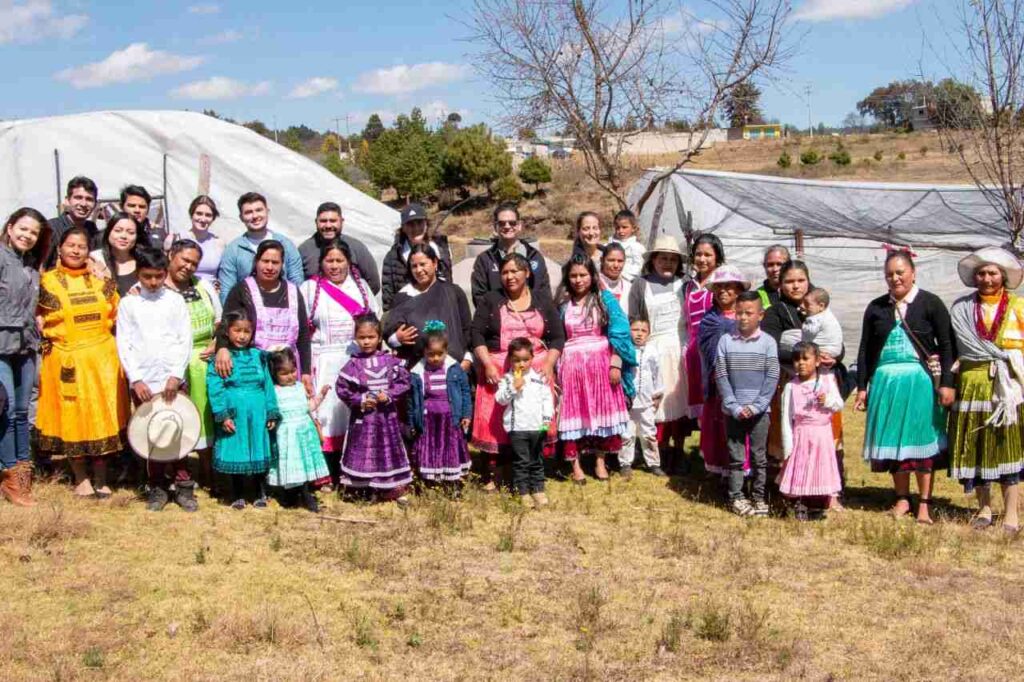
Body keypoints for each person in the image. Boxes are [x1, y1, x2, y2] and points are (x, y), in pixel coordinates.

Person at [854, 249, 955, 525]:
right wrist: (862, 386)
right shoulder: (876, 308)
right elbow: (865, 349)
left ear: (913, 273)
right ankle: (901, 498)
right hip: (885, 384)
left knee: (921, 443)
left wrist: (947, 383)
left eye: (900, 272)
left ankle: (924, 503)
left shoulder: (931, 303)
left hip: (920, 383)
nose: (895, 278)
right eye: (889, 274)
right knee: (895, 442)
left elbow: (947, 344)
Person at [37, 227, 129, 498]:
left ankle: (101, 476)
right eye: (71, 245)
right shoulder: (47, 282)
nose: (76, 250)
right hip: (66, 359)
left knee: (103, 417)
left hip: (102, 359)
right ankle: (80, 477)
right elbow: (37, 317)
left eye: (82, 246)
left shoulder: (101, 278)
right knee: (73, 417)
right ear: (60, 248)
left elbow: (118, 310)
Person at [471, 253, 564, 488]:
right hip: (498, 368)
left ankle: (530, 469)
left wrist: (549, 364)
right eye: (504, 272)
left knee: (532, 417)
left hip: (536, 369)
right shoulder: (491, 300)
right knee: (498, 423)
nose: (509, 276)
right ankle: (496, 471)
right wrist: (488, 364)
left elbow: (557, 337)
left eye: (515, 271)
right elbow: (477, 334)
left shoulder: (542, 300)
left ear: (527, 273)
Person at [947, 247, 1024, 533]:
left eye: (992, 273)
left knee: (1006, 445)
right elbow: (954, 348)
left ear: (1002, 276)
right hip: (971, 384)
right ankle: (984, 508)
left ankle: (1012, 512)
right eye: (981, 273)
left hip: (1007, 388)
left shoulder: (1018, 306)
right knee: (978, 447)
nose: (987, 278)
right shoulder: (962, 309)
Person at [115, 247, 194, 511]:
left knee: (178, 430)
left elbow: (184, 339)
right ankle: (157, 487)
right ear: (138, 273)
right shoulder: (129, 304)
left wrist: (175, 374)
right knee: (152, 435)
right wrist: (136, 379)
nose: (152, 282)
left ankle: (184, 487)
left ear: (165, 274)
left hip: (172, 380)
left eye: (158, 276)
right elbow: (124, 343)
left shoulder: (174, 301)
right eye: (147, 276)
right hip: (145, 382)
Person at [299, 239, 377, 484]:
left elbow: (374, 321)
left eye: (339, 260)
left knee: (352, 411)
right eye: (329, 261)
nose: (334, 266)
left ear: (348, 262)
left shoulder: (361, 287)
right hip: (323, 360)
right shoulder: (310, 289)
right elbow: (302, 329)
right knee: (326, 414)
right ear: (321, 263)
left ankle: (354, 467)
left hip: (355, 359)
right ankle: (325, 471)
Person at [556, 254, 636, 483]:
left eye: (583, 275)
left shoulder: (604, 299)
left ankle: (600, 462)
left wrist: (615, 364)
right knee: (573, 413)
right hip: (572, 365)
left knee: (602, 411)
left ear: (592, 276)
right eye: (573, 275)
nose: (578, 280)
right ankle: (576, 466)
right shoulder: (562, 303)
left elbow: (620, 333)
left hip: (601, 363)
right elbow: (557, 336)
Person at [0, 208, 51, 506]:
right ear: (9, 228)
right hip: (2, 343)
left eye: (33, 232)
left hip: (26, 345)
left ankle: (22, 469)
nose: (27, 235)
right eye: (23, 228)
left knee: (22, 411)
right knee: (4, 409)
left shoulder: (32, 267)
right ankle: (9, 473)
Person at [335, 314, 412, 504]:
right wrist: (360, 399)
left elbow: (404, 382)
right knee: (364, 449)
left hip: (386, 418)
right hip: (364, 420)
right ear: (355, 338)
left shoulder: (390, 361)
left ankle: (391, 487)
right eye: (362, 337)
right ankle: (365, 488)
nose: (367, 341)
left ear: (379, 337)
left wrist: (390, 395)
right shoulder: (353, 364)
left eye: (371, 337)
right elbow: (342, 389)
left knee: (388, 449)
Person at [715, 291, 779, 517]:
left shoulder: (768, 343)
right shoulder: (725, 341)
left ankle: (759, 496)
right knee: (735, 457)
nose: (743, 317)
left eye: (748, 313)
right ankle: (737, 496)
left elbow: (772, 377)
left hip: (760, 412)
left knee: (759, 457)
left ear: (760, 315)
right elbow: (721, 375)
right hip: (733, 411)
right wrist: (733, 405)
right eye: (739, 312)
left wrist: (757, 406)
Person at [206, 311, 279, 509]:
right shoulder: (220, 359)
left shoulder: (259, 357)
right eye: (237, 330)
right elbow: (215, 388)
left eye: (247, 331)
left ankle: (258, 491)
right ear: (227, 332)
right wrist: (222, 415)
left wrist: (271, 410)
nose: (242, 336)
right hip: (234, 410)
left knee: (258, 447)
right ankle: (236, 493)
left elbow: (268, 386)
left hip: (258, 410)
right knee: (236, 449)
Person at [218, 240, 312, 394]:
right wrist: (222, 348)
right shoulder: (242, 290)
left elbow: (303, 335)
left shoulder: (294, 292)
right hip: (253, 368)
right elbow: (226, 324)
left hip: (289, 370)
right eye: (265, 261)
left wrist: (306, 372)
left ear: (282, 264)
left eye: (275, 262)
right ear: (256, 262)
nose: (269, 267)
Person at [627, 236, 689, 468]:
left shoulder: (685, 284)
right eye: (663, 258)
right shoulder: (639, 285)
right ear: (653, 260)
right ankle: (657, 451)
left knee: (679, 398)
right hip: (653, 349)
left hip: (679, 346)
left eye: (673, 259)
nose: (667, 263)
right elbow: (634, 317)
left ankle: (680, 450)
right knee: (656, 401)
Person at [163, 239, 222, 484]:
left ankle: (209, 473)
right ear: (171, 256)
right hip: (170, 361)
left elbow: (219, 320)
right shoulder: (155, 286)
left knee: (205, 418)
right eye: (184, 260)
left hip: (203, 360)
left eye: (194, 263)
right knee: (176, 417)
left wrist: (217, 341)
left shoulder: (204, 286)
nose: (188, 266)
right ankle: (177, 473)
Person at [777, 342, 845, 521]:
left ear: (816, 361)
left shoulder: (827, 380)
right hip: (801, 434)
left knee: (819, 468)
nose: (801, 363)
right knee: (800, 468)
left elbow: (839, 404)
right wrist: (787, 445)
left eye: (806, 359)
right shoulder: (791, 387)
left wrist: (827, 400)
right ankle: (799, 503)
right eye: (797, 360)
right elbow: (786, 418)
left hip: (821, 435)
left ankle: (817, 504)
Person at [383, 244, 473, 368]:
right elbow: (389, 334)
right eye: (414, 266)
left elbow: (467, 329)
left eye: (423, 264)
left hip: (453, 368)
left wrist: (467, 359)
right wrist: (397, 338)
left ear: (435, 263)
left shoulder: (453, 292)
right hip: (417, 371)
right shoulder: (402, 297)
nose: (419, 270)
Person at [698, 265, 749, 481]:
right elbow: (705, 349)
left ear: (738, 290)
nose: (723, 292)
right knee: (717, 425)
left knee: (739, 426)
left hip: (742, 382)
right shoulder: (708, 319)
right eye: (719, 287)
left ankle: (741, 471)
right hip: (716, 382)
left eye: (729, 287)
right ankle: (720, 470)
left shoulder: (746, 317)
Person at [406, 322, 473, 487]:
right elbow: (411, 400)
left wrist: (466, 414)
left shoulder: (454, 369)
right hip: (429, 419)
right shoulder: (417, 373)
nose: (435, 358)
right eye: (431, 354)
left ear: (446, 351)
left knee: (449, 447)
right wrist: (412, 421)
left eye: (439, 354)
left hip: (450, 418)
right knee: (431, 447)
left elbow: (465, 391)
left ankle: (452, 482)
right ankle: (431, 481)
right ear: (424, 353)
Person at [265, 348, 330, 513]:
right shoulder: (274, 392)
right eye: (284, 373)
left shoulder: (300, 387)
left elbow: (309, 407)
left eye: (293, 371)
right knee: (291, 464)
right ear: (274, 374)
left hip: (304, 433)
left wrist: (321, 395)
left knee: (304, 464)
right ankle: (291, 494)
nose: (290, 376)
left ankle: (304, 493)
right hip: (287, 436)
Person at [496, 337, 554, 507]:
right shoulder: (507, 379)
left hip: (537, 427)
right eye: (516, 360)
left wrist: (546, 420)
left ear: (532, 358)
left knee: (536, 459)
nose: (521, 364)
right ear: (510, 360)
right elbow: (500, 399)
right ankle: (523, 492)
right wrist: (514, 387)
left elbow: (547, 400)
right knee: (521, 461)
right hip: (518, 429)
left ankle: (538, 489)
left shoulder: (539, 378)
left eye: (525, 360)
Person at [218, 192, 304, 304]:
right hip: (247, 315)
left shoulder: (286, 245)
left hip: (282, 312)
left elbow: (297, 282)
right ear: (241, 217)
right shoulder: (234, 250)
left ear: (267, 212)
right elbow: (227, 290)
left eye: (259, 210)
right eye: (248, 212)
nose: (255, 216)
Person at [470, 202, 551, 308]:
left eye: (512, 223)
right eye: (502, 223)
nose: (507, 226)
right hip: (498, 321)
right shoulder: (485, 260)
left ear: (519, 225)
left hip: (531, 320)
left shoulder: (535, 257)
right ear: (495, 227)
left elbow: (544, 294)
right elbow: (479, 297)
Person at [684, 233, 725, 422]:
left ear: (717, 257)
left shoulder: (722, 283)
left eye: (708, 255)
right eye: (698, 254)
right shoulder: (688, 287)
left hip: (716, 347)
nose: (702, 259)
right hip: (693, 349)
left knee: (717, 395)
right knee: (699, 396)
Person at [381, 203, 453, 311]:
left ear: (426, 224)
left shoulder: (440, 251)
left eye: (419, 223)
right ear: (403, 228)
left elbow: (449, 285)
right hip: (407, 317)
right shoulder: (393, 257)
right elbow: (388, 299)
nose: (416, 228)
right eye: (410, 224)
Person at [298, 202, 381, 294]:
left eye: (333, 221)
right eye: (323, 221)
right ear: (316, 222)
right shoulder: (304, 251)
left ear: (341, 221)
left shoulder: (356, 247)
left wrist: (357, 302)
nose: (328, 226)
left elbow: (374, 283)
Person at [618, 317, 664, 479]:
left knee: (648, 433)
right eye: (635, 330)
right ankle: (625, 463)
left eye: (643, 331)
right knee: (627, 434)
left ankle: (653, 464)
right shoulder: (624, 350)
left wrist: (658, 395)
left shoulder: (652, 351)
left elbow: (657, 374)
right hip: (628, 402)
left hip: (646, 402)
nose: (639, 334)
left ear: (649, 334)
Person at [46, 176, 100, 268]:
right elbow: (41, 267)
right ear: (67, 200)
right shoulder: (51, 228)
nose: (83, 204)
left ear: (95, 204)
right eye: (78, 197)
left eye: (89, 199)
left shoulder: (92, 229)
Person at [169, 196, 224, 287]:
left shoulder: (219, 243)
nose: (203, 219)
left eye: (208, 215)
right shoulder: (175, 239)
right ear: (192, 215)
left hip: (210, 293)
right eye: (199, 213)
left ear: (213, 218)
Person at [90, 212, 147, 297]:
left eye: (130, 232)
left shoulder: (145, 261)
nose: (124, 236)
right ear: (108, 232)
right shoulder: (94, 259)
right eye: (118, 231)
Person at [800, 287, 843, 359]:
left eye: (807, 304)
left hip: (824, 350)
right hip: (834, 350)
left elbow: (809, 331)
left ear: (821, 306)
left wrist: (804, 324)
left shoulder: (817, 318)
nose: (802, 306)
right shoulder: (828, 315)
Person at [609, 209, 645, 282]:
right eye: (617, 228)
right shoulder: (609, 245)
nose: (621, 231)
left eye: (624, 227)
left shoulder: (637, 247)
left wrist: (623, 275)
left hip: (629, 281)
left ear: (633, 228)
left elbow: (639, 267)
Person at [756, 245, 791, 309]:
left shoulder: (799, 290)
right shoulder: (757, 296)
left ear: (789, 265)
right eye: (770, 265)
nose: (775, 269)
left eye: (779, 264)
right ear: (764, 266)